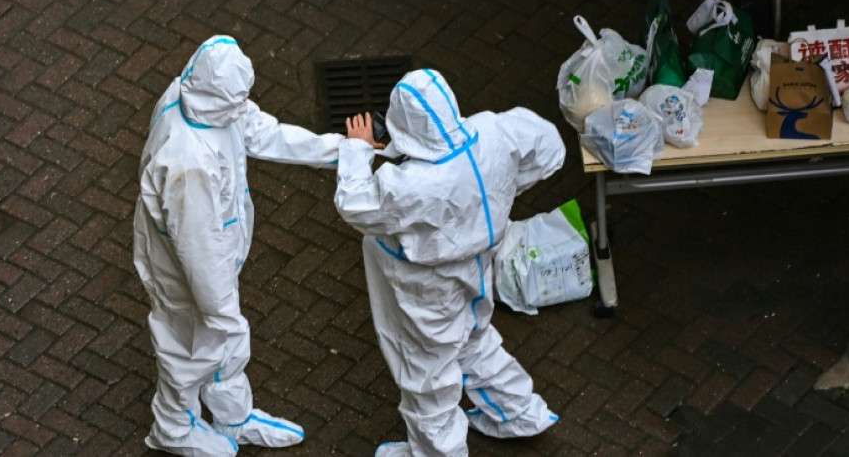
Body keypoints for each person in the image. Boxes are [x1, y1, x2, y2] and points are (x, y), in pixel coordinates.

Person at [334, 69, 565, 456]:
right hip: (477, 267)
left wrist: (358, 149)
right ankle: (519, 413)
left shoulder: (410, 183)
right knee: (474, 338)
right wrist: (504, 191)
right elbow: (551, 149)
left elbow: (355, 205)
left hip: (428, 287)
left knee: (428, 374)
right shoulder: (494, 131)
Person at [133, 35, 343, 456]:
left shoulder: (195, 94)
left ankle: (231, 416)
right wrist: (223, 312)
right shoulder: (187, 163)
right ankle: (172, 429)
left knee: (218, 343)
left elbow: (261, 130)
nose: (244, 107)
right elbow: (199, 252)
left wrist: (340, 151)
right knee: (189, 348)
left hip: (213, 259)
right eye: (237, 100)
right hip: (188, 274)